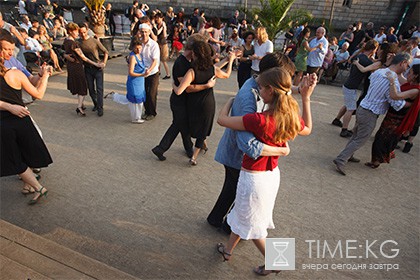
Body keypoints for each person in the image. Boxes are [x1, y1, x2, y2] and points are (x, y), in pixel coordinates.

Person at [215, 66, 313, 276]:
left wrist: (229, 103)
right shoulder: (289, 117)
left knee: (254, 227)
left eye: (260, 87)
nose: (257, 90)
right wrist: (306, 98)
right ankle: (228, 251)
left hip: (253, 177)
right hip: (271, 175)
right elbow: (308, 128)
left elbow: (222, 120)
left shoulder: (258, 120)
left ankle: (278, 261)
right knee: (244, 214)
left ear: (270, 90)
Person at [208, 51, 317, 235]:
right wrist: (281, 151)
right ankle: (274, 261)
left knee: (247, 212)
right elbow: (247, 143)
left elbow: (223, 120)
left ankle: (228, 241)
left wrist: (303, 92)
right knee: (255, 223)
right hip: (260, 173)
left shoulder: (264, 116)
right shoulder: (282, 116)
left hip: (259, 171)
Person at [333, 53, 411, 176]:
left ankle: (348, 156)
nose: (407, 69)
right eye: (408, 65)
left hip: (364, 107)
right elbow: (395, 102)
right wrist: (409, 103)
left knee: (356, 135)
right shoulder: (393, 79)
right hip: (370, 112)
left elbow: (371, 81)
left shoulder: (380, 72)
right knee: (361, 138)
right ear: (403, 63)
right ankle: (341, 158)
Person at [151, 34, 216, 161]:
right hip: (178, 101)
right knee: (180, 125)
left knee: (181, 125)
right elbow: (186, 87)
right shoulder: (181, 63)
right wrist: (206, 85)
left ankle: (179, 148)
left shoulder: (188, 61)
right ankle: (165, 148)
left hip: (183, 101)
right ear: (193, 51)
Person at [172, 40, 237, 165]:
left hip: (193, 103)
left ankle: (196, 153)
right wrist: (231, 60)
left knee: (194, 127)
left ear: (195, 54)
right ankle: (194, 157)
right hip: (208, 103)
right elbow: (227, 74)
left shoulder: (191, 72)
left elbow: (179, 91)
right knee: (204, 127)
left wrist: (174, 85)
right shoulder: (212, 69)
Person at [0, 55, 51, 205]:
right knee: (24, 155)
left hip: (3, 124)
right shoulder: (16, 74)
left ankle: (38, 188)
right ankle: (31, 186)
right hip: (22, 120)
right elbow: (38, 94)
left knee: (16, 159)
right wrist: (46, 76)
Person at [365, 64, 420, 168]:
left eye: (411, 72)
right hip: (392, 116)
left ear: (416, 75)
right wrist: (392, 64)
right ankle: (377, 160)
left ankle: (377, 161)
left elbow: (395, 96)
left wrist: (391, 82)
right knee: (381, 138)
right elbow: (398, 75)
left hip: (397, 120)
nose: (408, 73)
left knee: (383, 139)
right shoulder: (410, 84)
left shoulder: (415, 90)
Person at [331, 40, 379, 137]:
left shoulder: (359, 56)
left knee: (347, 105)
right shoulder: (366, 61)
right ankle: (344, 129)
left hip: (348, 85)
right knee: (351, 109)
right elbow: (371, 67)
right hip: (351, 86)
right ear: (373, 49)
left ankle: (337, 119)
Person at [106, 38, 149, 123]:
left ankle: (114, 96)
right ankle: (135, 118)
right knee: (134, 101)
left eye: (140, 48)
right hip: (134, 81)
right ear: (132, 47)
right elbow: (131, 72)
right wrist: (143, 74)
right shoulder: (133, 57)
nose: (138, 50)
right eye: (136, 48)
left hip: (140, 81)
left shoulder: (139, 55)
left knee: (136, 99)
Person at [63, 23, 102, 116]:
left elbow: (64, 52)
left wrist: (66, 56)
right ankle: (79, 106)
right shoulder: (74, 43)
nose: (78, 33)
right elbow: (83, 57)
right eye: (75, 31)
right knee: (82, 87)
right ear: (70, 31)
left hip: (70, 66)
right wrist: (95, 63)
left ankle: (82, 104)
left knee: (77, 85)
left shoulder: (66, 41)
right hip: (77, 66)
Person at [78, 24, 108, 116]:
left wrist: (104, 63)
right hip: (87, 68)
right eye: (80, 32)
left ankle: (100, 108)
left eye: (84, 32)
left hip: (97, 68)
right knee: (91, 89)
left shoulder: (94, 41)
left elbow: (105, 51)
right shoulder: (78, 43)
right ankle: (96, 103)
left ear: (87, 30)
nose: (82, 34)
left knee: (99, 89)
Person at [137, 23, 160, 121]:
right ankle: (147, 111)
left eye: (146, 32)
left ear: (149, 32)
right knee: (144, 92)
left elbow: (155, 60)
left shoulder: (154, 45)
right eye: (142, 32)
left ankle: (152, 112)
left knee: (151, 93)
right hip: (142, 72)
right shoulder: (139, 43)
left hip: (153, 72)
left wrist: (149, 70)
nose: (144, 34)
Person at [153, 12, 170, 80]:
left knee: (163, 60)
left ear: (161, 18)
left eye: (158, 18)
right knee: (158, 59)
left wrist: (163, 29)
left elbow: (163, 34)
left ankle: (168, 74)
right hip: (159, 42)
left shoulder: (163, 24)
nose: (157, 19)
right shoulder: (158, 24)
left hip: (163, 43)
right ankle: (158, 71)